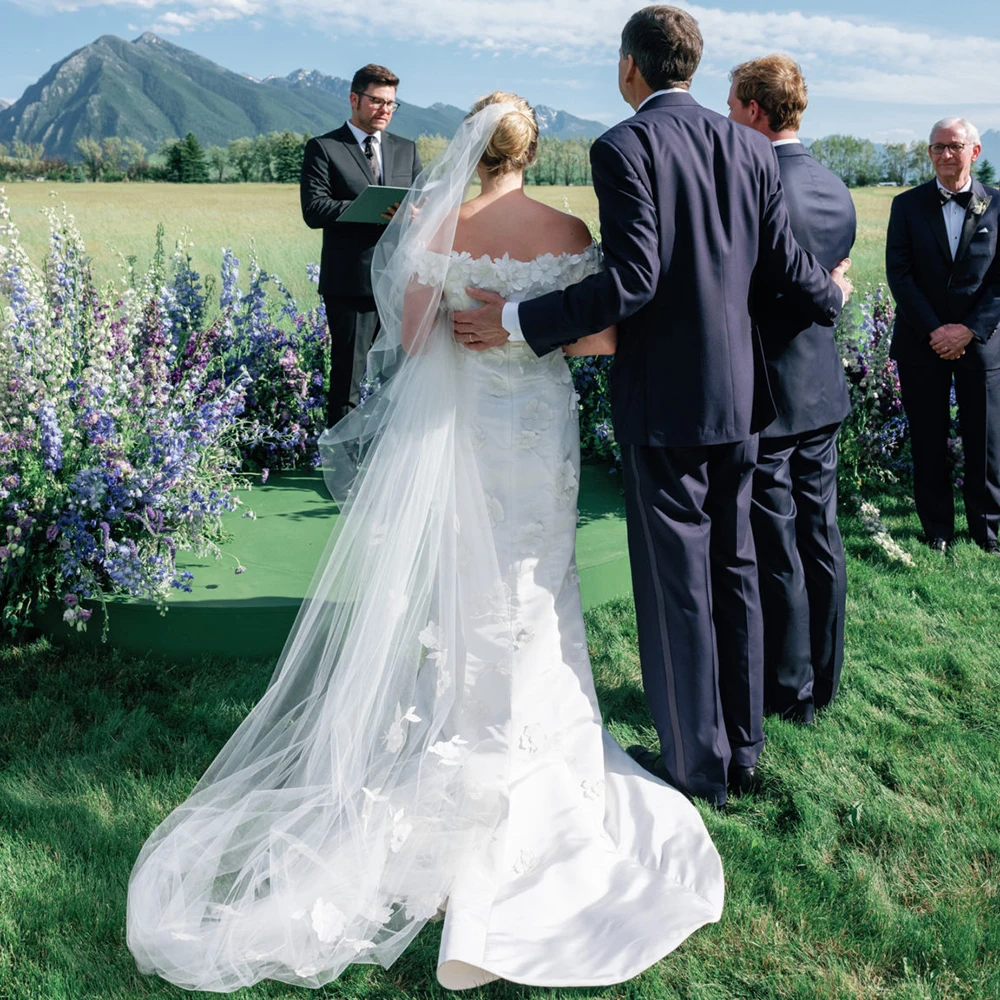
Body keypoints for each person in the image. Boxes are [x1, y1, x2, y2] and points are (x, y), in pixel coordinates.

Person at [127, 94, 725, 993]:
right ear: (534, 152)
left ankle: (457, 736)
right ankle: (537, 750)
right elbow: (601, 336)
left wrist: (458, 322)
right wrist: (529, 337)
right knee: (537, 585)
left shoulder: (434, 222)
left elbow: (407, 342)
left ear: (469, 153)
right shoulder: (566, 229)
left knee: (460, 587)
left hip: (464, 440)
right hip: (539, 431)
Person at [454, 6, 851, 808]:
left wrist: (518, 319)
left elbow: (633, 281)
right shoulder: (748, 145)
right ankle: (743, 746)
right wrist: (830, 296)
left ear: (631, 66)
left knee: (677, 584)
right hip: (743, 399)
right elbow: (782, 262)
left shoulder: (623, 145)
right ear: (693, 67)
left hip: (667, 399)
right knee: (734, 569)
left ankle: (696, 765)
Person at [727, 55, 856, 723]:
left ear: (752, 108)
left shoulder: (748, 184)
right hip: (820, 387)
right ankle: (828, 679)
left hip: (767, 389)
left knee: (777, 548)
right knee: (822, 536)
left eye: (730, 104)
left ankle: (790, 691)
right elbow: (826, 276)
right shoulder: (835, 186)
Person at [886, 117, 1000, 555]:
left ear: (974, 151)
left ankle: (987, 530)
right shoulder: (907, 205)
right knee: (928, 438)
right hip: (922, 341)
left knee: (986, 440)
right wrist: (936, 330)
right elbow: (900, 272)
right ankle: (937, 528)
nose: (944, 155)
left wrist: (968, 330)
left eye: (953, 147)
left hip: (982, 343)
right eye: (936, 147)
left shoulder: (997, 205)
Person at [300, 63, 423, 425]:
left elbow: (419, 203)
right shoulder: (324, 148)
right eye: (377, 101)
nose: (385, 109)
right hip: (351, 285)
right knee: (347, 383)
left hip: (400, 282)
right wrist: (379, 211)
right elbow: (314, 208)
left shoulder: (407, 149)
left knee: (398, 382)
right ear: (354, 99)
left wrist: (420, 211)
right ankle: (341, 471)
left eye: (391, 103)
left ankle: (384, 460)